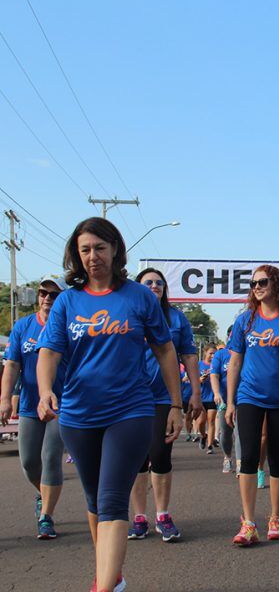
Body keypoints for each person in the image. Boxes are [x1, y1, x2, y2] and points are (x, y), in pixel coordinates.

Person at [36, 217, 183, 592]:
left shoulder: (139, 297)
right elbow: (49, 352)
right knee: (93, 499)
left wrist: (177, 404)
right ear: (76, 254)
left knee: (113, 498)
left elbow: (165, 350)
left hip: (130, 410)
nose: (92, 256)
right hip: (78, 413)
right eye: (85, 249)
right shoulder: (68, 301)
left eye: (100, 248)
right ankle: (110, 573)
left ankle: (104, 587)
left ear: (115, 249)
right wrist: (45, 390)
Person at [225, 265, 279, 544]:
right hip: (249, 395)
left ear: (276, 284)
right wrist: (229, 401)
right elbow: (235, 362)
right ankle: (248, 522)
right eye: (253, 284)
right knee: (248, 455)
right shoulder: (245, 320)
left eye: (262, 281)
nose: (257, 287)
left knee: (276, 457)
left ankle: (275, 516)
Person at [128, 268, 203, 542]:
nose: (155, 286)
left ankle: (162, 514)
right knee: (136, 460)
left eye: (159, 282)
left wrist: (194, 393)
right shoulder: (127, 313)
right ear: (138, 286)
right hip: (130, 397)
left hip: (164, 398)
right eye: (148, 282)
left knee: (160, 455)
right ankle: (139, 517)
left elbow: (189, 357)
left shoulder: (176, 318)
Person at [1, 275, 67, 539]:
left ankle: (46, 516)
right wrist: (5, 399)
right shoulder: (23, 326)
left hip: (61, 403)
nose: (47, 298)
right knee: (29, 462)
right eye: (43, 293)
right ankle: (43, 492)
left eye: (54, 294)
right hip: (30, 405)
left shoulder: (67, 326)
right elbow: (12, 365)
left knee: (51, 456)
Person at [211, 326, 241, 474]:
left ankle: (241, 463)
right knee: (226, 431)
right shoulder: (220, 355)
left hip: (243, 399)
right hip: (224, 400)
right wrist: (217, 393)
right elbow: (214, 375)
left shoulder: (246, 353)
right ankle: (227, 457)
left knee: (241, 432)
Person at [197, 345, 217, 453]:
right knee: (201, 422)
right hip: (201, 397)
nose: (213, 356)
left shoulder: (216, 365)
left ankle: (210, 446)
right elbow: (192, 380)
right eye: (211, 353)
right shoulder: (199, 365)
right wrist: (200, 379)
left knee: (211, 421)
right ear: (205, 353)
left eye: (215, 353)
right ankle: (203, 435)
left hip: (213, 397)